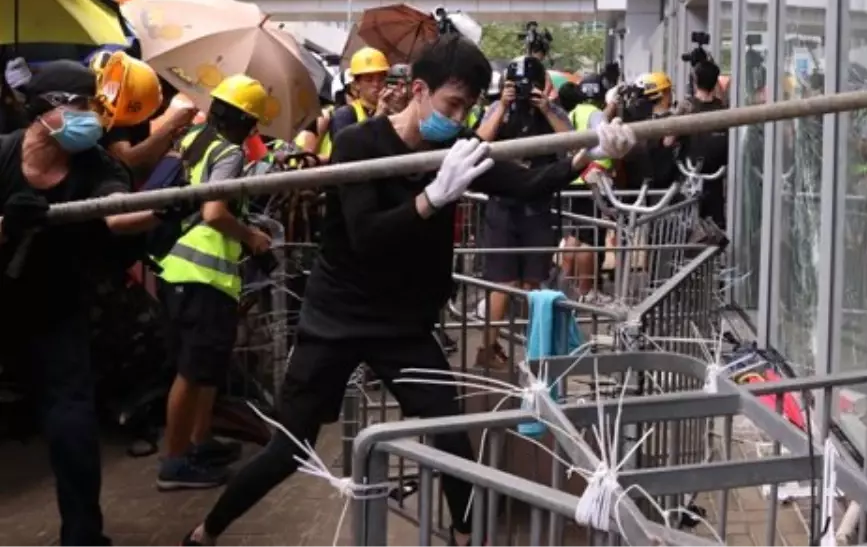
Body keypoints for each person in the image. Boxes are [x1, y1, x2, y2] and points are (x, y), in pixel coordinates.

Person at [178, 34, 635, 547]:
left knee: (451, 435)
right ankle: (206, 530)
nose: (459, 117)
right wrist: (434, 197)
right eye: (452, 103)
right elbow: (368, 235)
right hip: (337, 318)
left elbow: (526, 182)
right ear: (419, 89)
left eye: (468, 107)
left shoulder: (456, 148)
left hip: (403, 325)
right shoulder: (359, 145)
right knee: (290, 445)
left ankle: (467, 536)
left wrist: (588, 154)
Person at [0, 60, 174, 547]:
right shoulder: (2, 157)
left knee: (72, 422)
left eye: (93, 108)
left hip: (56, 307)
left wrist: (162, 206)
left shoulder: (96, 163)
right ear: (45, 110)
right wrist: (7, 225)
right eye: (79, 106)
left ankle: (82, 535)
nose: (90, 119)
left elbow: (116, 214)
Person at [154, 74, 276, 491]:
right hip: (201, 272)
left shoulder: (192, 139)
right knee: (191, 371)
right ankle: (174, 462)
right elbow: (213, 213)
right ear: (247, 121)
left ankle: (200, 441)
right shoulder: (229, 152)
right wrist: (251, 236)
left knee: (205, 366)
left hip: (178, 268)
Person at [473, 55, 572, 367]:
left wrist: (545, 108)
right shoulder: (496, 108)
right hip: (502, 206)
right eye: (516, 84)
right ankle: (487, 350)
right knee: (502, 283)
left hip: (539, 206)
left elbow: (570, 141)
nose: (523, 89)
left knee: (534, 284)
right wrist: (502, 105)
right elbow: (478, 141)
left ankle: (538, 353)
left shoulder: (552, 110)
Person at [88, 50, 197, 180]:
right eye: (161, 102)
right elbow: (126, 161)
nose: (163, 110)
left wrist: (170, 140)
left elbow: (143, 167)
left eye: (168, 101)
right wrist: (171, 125)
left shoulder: (139, 116)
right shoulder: (113, 110)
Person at [560, 73, 612, 302]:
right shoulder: (597, 114)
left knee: (573, 237)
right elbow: (606, 145)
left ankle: (568, 285)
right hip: (590, 183)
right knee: (588, 240)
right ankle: (587, 291)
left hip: (571, 181)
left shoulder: (571, 113)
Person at [678, 59, 729, 229]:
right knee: (716, 230)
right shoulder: (723, 111)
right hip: (716, 182)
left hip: (692, 181)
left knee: (690, 230)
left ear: (695, 81)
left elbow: (667, 140)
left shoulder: (687, 109)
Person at [330, 48, 392, 139]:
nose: (376, 84)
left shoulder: (391, 110)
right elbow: (347, 150)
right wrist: (377, 118)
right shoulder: (345, 115)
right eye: (369, 80)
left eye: (381, 79)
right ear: (356, 84)